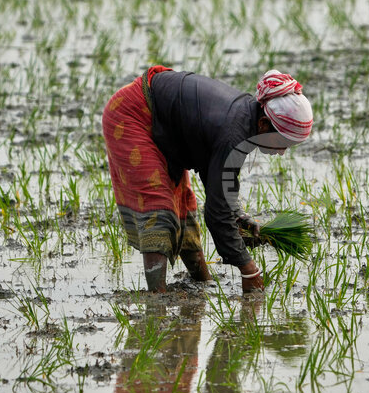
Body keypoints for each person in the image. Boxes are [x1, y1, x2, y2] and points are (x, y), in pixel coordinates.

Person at [102, 66, 312, 293]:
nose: (281, 152)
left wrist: (238, 215)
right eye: (282, 143)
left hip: (166, 121)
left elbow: (220, 187)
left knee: (184, 204)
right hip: (133, 114)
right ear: (263, 124)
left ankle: (203, 282)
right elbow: (216, 213)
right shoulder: (233, 133)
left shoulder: (244, 120)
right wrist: (248, 268)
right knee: (159, 207)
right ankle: (157, 298)